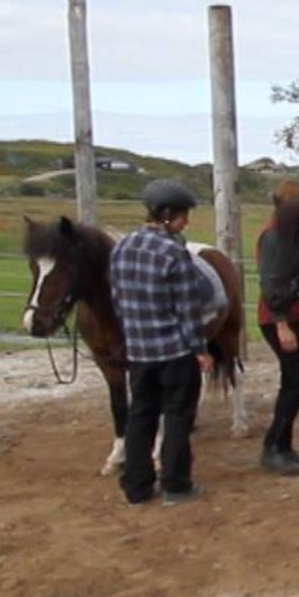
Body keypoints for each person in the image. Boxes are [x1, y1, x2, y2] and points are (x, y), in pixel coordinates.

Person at [110, 179, 215, 505]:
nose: (186, 223)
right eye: (183, 216)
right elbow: (187, 308)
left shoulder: (121, 248)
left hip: (139, 353)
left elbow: (118, 301)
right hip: (174, 352)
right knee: (177, 416)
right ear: (167, 214)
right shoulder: (174, 253)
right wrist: (200, 350)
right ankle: (175, 484)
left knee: (140, 415)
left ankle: (137, 487)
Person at [254, 216, 299, 476]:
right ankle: (272, 447)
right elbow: (271, 284)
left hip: (291, 318)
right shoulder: (274, 237)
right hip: (277, 320)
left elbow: (294, 283)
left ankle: (284, 447)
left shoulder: (287, 236)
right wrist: (281, 325)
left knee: (291, 382)